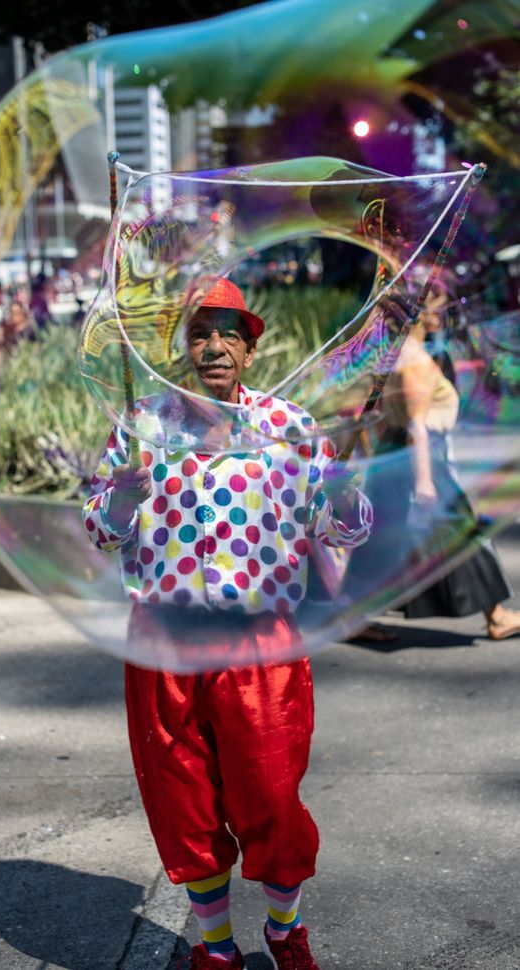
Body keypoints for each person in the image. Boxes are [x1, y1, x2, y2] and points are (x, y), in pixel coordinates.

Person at [82, 278, 372, 969]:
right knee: (182, 802)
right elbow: (98, 529)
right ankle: (216, 949)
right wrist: (121, 499)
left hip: (259, 645)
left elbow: (343, 531)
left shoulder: (288, 428)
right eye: (201, 333)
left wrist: (345, 493)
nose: (214, 346)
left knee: (271, 799)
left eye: (228, 334)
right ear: (183, 347)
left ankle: (283, 931)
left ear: (249, 348)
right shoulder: (140, 427)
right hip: (163, 640)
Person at [348, 282, 520, 643]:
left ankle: (352, 617)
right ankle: (497, 615)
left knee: (380, 540)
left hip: (396, 458)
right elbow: (416, 427)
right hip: (419, 461)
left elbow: (379, 414)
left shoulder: (394, 354)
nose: (439, 314)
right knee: (463, 534)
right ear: (417, 314)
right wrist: (425, 482)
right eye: (433, 307)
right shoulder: (414, 362)